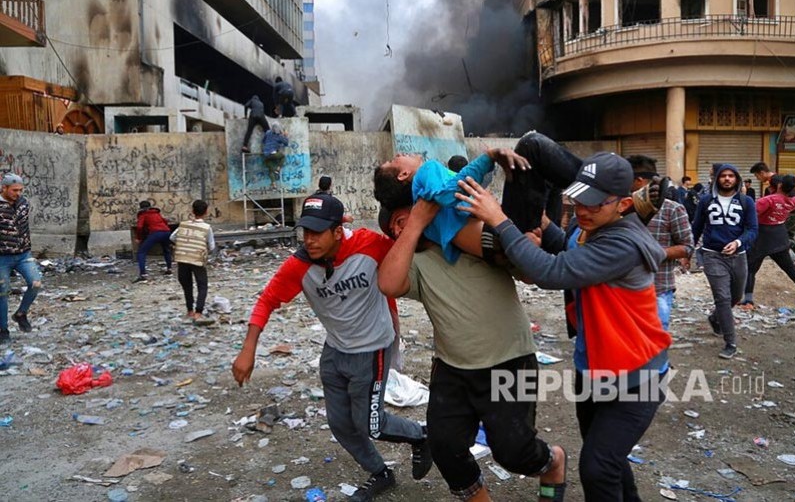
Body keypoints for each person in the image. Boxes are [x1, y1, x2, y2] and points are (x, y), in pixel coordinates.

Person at [454, 152, 671, 501]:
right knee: (609, 461)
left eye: (594, 204)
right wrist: (539, 221)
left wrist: (500, 220)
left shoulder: (623, 244)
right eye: (578, 199)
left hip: (636, 377)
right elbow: (565, 244)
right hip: (595, 371)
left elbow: (552, 272)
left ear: (624, 204)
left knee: (597, 468)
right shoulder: (592, 227)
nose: (582, 210)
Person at [231, 194, 430, 501]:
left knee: (370, 423)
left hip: (372, 349)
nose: (309, 240)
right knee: (340, 424)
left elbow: (408, 257)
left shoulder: (369, 245)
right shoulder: (299, 265)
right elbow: (267, 300)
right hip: (335, 351)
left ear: (338, 231)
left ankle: (421, 436)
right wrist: (248, 350)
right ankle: (381, 473)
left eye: (317, 233)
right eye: (305, 232)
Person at [377, 201, 567, 502]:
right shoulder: (413, 261)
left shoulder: (473, 239)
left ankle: (553, 461)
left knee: (514, 451)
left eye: (403, 219)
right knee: (444, 445)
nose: (400, 228)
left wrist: (524, 246)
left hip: (510, 360)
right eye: (394, 228)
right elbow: (388, 283)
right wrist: (412, 228)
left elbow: (531, 273)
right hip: (452, 367)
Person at [374, 132, 665, 265]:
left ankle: (612, 212)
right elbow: (455, 190)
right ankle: (613, 195)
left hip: (499, 244)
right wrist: (490, 156)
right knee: (532, 146)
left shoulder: (425, 211)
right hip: (501, 235)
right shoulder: (425, 177)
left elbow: (460, 185)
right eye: (393, 160)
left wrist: (489, 162)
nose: (399, 154)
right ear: (402, 176)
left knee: (544, 179)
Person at [691, 164, 757, 359]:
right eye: (723, 176)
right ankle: (730, 342)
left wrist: (738, 242)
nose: (727, 179)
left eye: (731, 176)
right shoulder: (705, 201)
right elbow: (696, 228)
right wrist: (688, 253)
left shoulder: (746, 202)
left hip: (739, 256)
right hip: (712, 255)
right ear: (717, 179)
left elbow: (753, 229)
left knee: (736, 297)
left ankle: (715, 317)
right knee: (723, 298)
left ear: (736, 179)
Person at [627, 155, 694, 330]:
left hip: (658, 290)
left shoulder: (672, 209)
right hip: (623, 291)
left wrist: (655, 253)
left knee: (654, 347)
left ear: (639, 180)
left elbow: (688, 247)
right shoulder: (619, 207)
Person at [738, 174, 795, 310]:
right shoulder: (790, 201)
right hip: (779, 238)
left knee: (751, 268)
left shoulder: (767, 200)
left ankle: (748, 299)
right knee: (789, 267)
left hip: (762, 239)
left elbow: (749, 216)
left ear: (778, 185)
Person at [0, 174, 41, 344]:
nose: (18, 193)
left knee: (36, 283)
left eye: (21, 190)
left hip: (23, 254)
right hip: (2, 257)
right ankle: (3, 330)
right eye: (14, 190)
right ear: (4, 188)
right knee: (2, 292)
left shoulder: (23, 203)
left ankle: (20, 314)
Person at [170, 200, 215, 324]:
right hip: (197, 259)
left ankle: (189, 310)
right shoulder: (206, 228)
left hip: (183, 258)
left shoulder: (183, 225)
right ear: (206, 212)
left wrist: (185, 244)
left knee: (187, 285)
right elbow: (211, 246)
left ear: (192, 211)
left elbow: (172, 237)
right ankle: (198, 312)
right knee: (202, 285)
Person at [134, 200, 172, 282]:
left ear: (141, 208)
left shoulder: (143, 214)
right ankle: (169, 269)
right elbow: (165, 221)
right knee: (166, 250)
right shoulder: (156, 213)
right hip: (166, 232)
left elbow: (140, 227)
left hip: (155, 233)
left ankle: (143, 274)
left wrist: (138, 238)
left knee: (141, 252)